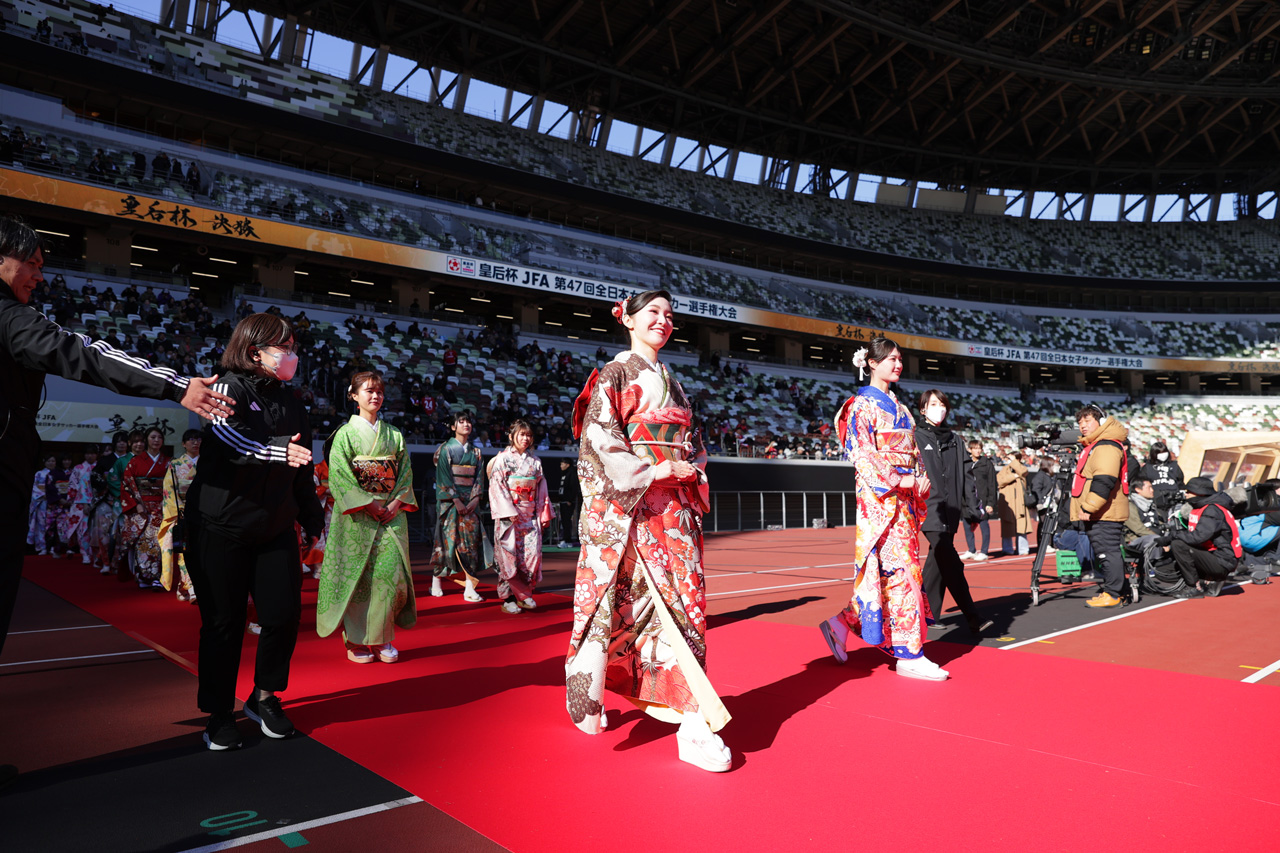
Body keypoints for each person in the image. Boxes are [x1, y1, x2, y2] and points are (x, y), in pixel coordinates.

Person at [0, 216, 232, 789]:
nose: (37, 272)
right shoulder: (8, 317)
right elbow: (78, 352)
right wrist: (176, 386)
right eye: (29, 261)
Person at [566, 289, 731, 773]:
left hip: (676, 513)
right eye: (652, 313)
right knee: (646, 604)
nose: (662, 320)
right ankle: (692, 720)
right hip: (636, 513)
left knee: (689, 605)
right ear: (628, 320)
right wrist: (653, 472)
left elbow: (693, 444)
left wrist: (689, 471)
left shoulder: (674, 384)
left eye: (669, 315)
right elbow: (598, 438)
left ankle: (685, 709)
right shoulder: (614, 375)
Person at [186, 313, 323, 751]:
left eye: (293, 347)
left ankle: (264, 696)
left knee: (283, 616)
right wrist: (280, 450)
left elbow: (301, 465)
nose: (292, 356)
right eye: (284, 347)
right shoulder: (227, 387)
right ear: (254, 350)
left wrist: (313, 516)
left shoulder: (293, 399)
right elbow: (232, 440)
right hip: (221, 524)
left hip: (275, 525)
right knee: (223, 623)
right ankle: (219, 713)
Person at [819, 336, 946, 681]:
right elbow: (862, 455)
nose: (897, 364)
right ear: (871, 364)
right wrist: (900, 480)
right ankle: (909, 653)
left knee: (892, 574)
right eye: (890, 359)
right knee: (902, 571)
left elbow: (914, 453)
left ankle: (840, 624)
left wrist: (920, 478)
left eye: (900, 358)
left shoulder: (902, 409)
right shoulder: (860, 406)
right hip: (882, 501)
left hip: (903, 500)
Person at [315, 370, 417, 665]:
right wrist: (369, 504)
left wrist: (396, 503)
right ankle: (357, 639)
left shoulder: (394, 434)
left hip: (390, 514)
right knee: (358, 580)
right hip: (358, 516)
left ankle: (382, 637)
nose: (375, 396)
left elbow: (406, 473)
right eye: (369, 391)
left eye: (380, 392)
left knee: (389, 578)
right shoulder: (344, 435)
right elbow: (340, 477)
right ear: (354, 395)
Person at [914, 390, 989, 634]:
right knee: (951, 561)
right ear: (923, 409)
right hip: (927, 509)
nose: (940, 408)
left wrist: (972, 512)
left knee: (937, 562)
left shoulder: (956, 441)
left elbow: (968, 479)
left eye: (943, 403)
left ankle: (925, 614)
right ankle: (972, 616)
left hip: (951, 510)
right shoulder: (915, 436)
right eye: (933, 404)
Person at [489, 418, 553, 614]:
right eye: (522, 434)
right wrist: (509, 511)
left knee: (531, 557)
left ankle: (524, 595)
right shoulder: (502, 459)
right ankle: (507, 598)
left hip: (529, 515)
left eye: (529, 435)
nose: (526, 439)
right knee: (508, 557)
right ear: (511, 436)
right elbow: (497, 486)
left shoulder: (535, 462)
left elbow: (542, 489)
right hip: (510, 517)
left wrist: (542, 514)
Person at [1070, 404, 1130, 608]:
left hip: (1105, 511)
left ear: (1101, 422)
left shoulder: (1105, 445)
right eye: (1080, 422)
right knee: (1106, 550)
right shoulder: (1101, 444)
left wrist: (1089, 506)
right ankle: (1117, 590)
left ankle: (1113, 594)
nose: (1082, 426)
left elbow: (1104, 480)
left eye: (1087, 421)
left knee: (1107, 551)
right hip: (1104, 511)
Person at [428, 411, 486, 601]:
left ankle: (469, 586)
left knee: (470, 544)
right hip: (451, 504)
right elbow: (443, 477)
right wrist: (457, 500)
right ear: (453, 427)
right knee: (446, 542)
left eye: (468, 421)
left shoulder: (476, 452)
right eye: (461, 422)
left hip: (471, 502)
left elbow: (479, 478)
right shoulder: (445, 449)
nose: (466, 424)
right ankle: (436, 581)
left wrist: (475, 498)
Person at [1156, 477, 1242, 599]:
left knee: (1178, 544)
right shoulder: (1202, 507)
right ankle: (1207, 579)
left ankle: (1194, 587)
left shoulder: (1212, 509)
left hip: (1223, 560)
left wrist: (1171, 537)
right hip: (1213, 555)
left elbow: (1199, 537)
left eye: (1188, 491)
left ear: (1199, 492)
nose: (1185, 494)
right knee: (1164, 571)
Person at [119, 426, 170, 589]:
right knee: (143, 542)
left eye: (159, 437)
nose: (156, 440)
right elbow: (127, 484)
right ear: (147, 440)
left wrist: (166, 504)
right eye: (153, 437)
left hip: (161, 506)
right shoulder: (135, 462)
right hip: (141, 508)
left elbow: (172, 485)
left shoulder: (169, 462)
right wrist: (138, 505)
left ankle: (156, 576)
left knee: (158, 541)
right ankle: (143, 576)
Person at [159, 429, 201, 603]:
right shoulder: (175, 464)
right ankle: (192, 588)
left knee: (202, 551)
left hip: (205, 513)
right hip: (183, 512)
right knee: (185, 551)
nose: (195, 442)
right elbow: (169, 490)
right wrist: (179, 512)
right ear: (183, 444)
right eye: (190, 439)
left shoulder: (207, 463)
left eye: (198, 439)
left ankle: (183, 586)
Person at [61, 444, 100, 564]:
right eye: (87, 453)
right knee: (82, 529)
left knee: (97, 529)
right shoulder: (78, 468)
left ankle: (97, 556)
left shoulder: (100, 466)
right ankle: (85, 554)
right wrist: (79, 501)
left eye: (92, 453)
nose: (90, 456)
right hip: (80, 502)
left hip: (98, 501)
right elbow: (73, 485)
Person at [961, 440, 995, 562]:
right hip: (966, 501)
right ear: (970, 450)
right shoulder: (964, 463)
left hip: (982, 501)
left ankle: (984, 551)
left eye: (979, 448)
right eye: (975, 448)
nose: (978, 450)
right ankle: (971, 550)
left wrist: (991, 503)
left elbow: (992, 484)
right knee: (966, 525)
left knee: (984, 525)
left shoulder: (987, 464)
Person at [996, 449, 1031, 556]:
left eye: (1012, 458)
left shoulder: (1022, 468)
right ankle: (1007, 549)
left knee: (1021, 527)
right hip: (1008, 504)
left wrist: (1014, 462)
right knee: (1007, 527)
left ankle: (1023, 549)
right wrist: (1013, 476)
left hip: (1019, 503)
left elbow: (1023, 472)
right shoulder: (1004, 469)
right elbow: (1000, 481)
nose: (1009, 460)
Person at [26, 455, 56, 556]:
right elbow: (34, 486)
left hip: (55, 503)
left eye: (53, 461)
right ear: (45, 462)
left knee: (53, 525)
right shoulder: (39, 473)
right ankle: (42, 547)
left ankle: (53, 547)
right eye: (49, 461)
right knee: (42, 525)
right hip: (42, 502)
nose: (51, 463)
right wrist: (44, 495)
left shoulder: (58, 473)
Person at [556, 457, 581, 548]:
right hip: (563, 501)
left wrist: (570, 500)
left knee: (567, 521)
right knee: (564, 521)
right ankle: (566, 540)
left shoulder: (571, 474)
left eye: (562, 464)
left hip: (568, 502)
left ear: (567, 464)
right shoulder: (563, 474)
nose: (561, 466)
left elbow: (574, 487)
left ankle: (567, 540)